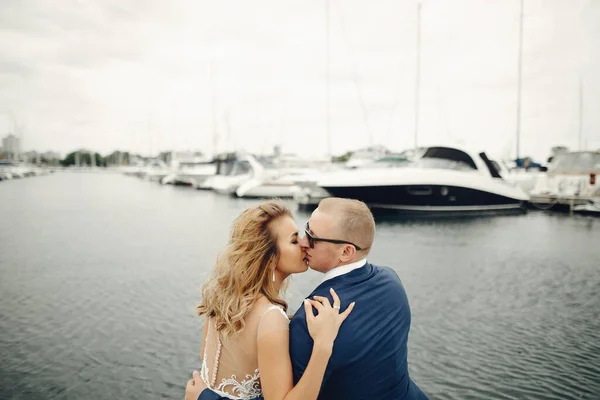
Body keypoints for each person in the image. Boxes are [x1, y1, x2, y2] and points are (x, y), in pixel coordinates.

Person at [185, 201, 354, 400]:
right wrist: (323, 346)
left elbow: (206, 355)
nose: (304, 243)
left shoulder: (221, 296)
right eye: (293, 240)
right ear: (270, 258)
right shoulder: (270, 318)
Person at [289, 197, 429, 400]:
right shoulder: (391, 279)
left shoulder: (312, 316)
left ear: (346, 251)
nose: (303, 242)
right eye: (306, 230)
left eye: (312, 237)